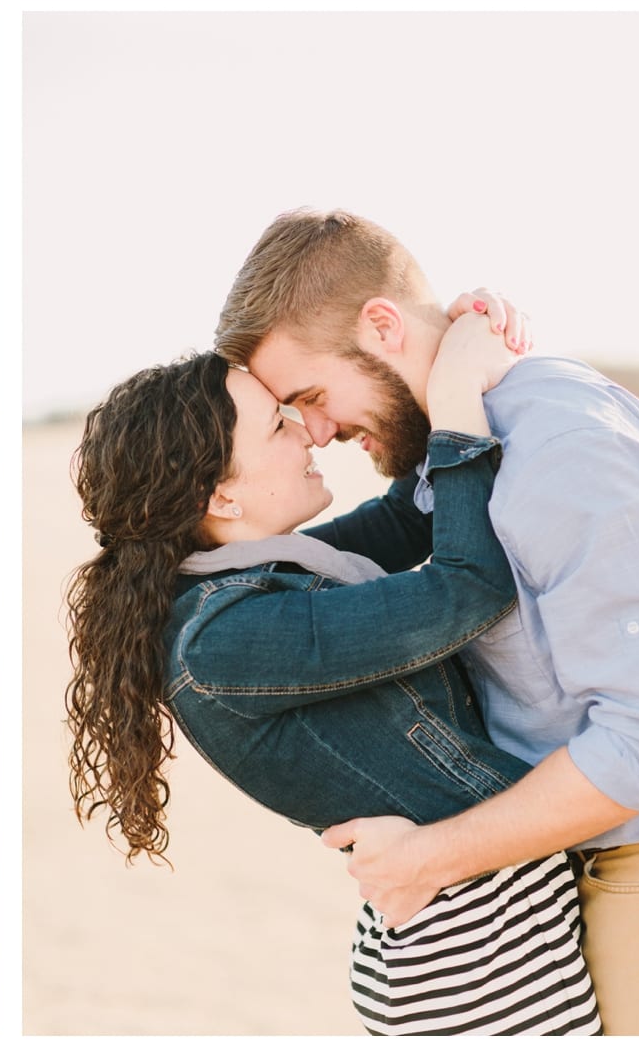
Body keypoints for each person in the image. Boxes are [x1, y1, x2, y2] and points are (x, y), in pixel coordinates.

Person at [213, 208, 639, 1036]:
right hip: (590, 868)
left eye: (313, 397)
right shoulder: (462, 445)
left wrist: (429, 859)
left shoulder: (560, 448)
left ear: (381, 324)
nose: (320, 433)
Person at [67, 318, 602, 1035]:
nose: (308, 434)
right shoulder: (226, 639)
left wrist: (441, 355)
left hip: (478, 911)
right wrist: (451, 399)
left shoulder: (250, 580)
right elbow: (469, 584)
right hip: (475, 946)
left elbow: (401, 519)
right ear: (222, 498)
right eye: (276, 426)